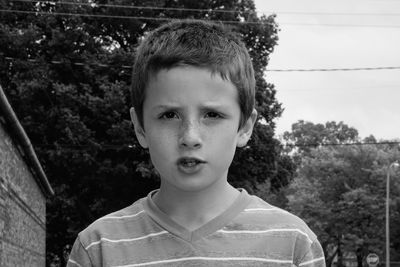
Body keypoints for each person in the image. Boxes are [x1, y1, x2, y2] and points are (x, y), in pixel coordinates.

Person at [67, 19, 325, 267]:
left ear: (245, 126)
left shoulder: (294, 245)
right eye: (169, 115)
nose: (190, 137)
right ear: (140, 127)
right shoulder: (98, 248)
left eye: (212, 115)